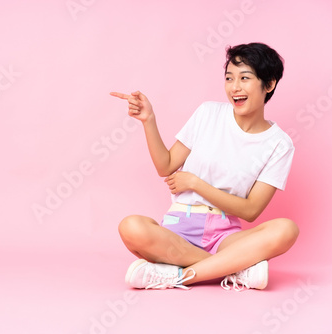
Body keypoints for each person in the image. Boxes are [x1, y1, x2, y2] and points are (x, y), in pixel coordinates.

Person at [110, 42, 299, 291]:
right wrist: (149, 120)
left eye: (245, 78)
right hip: (179, 230)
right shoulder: (208, 114)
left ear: (270, 83)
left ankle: (176, 276)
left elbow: (251, 211)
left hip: (226, 237)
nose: (235, 87)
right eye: (229, 78)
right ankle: (234, 270)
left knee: (286, 229)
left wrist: (195, 183)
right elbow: (166, 166)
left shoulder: (279, 144)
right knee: (131, 227)